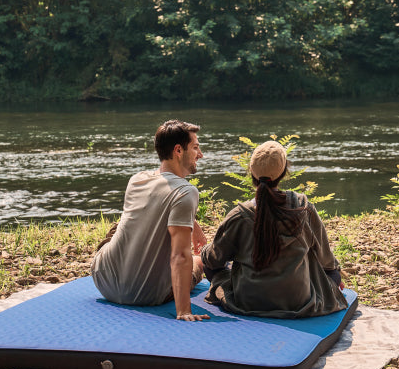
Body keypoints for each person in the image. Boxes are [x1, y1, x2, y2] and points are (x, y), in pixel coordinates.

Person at [201, 140, 348, 318]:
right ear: (284, 172)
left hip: (247, 302)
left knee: (209, 267)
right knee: (332, 272)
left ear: (252, 174)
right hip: (299, 302)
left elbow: (213, 261)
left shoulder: (239, 215)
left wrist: (204, 250)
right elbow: (326, 261)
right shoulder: (303, 208)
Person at [92, 119, 210, 321]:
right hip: (147, 295)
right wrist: (184, 311)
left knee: (121, 226)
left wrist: (193, 224)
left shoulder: (137, 179)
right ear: (178, 151)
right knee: (201, 259)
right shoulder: (186, 192)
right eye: (196, 148)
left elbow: (162, 198)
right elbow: (180, 256)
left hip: (104, 281)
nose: (200, 154)